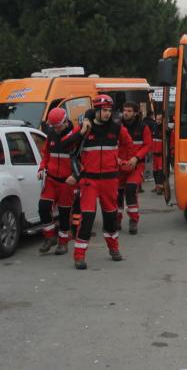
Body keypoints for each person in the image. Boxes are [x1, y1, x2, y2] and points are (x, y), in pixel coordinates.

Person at [60, 94, 133, 270]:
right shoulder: (87, 126)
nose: (107, 114)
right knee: (87, 217)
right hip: (89, 180)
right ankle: (79, 256)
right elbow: (64, 144)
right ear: (97, 110)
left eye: (109, 110)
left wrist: (121, 159)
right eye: (104, 110)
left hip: (110, 180)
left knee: (111, 217)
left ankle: (113, 248)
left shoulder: (117, 128)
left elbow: (129, 144)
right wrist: (82, 131)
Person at [36, 108, 76, 255]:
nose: (55, 129)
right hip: (52, 179)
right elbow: (46, 154)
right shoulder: (51, 134)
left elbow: (80, 159)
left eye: (57, 126)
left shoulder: (75, 136)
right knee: (43, 207)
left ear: (65, 121)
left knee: (65, 213)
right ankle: (49, 237)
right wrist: (41, 169)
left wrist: (76, 177)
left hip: (67, 182)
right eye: (53, 127)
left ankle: (63, 243)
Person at [117, 102, 152, 235]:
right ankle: (117, 220)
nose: (126, 113)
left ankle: (133, 220)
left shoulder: (143, 127)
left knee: (131, 189)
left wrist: (136, 158)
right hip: (119, 166)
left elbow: (147, 145)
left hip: (136, 165)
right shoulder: (117, 127)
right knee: (117, 194)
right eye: (124, 110)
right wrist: (116, 160)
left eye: (129, 111)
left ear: (136, 113)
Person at [151, 113, 165, 195]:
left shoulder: (164, 129)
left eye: (160, 119)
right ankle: (157, 186)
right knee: (155, 172)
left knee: (160, 172)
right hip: (154, 153)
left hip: (161, 154)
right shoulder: (154, 127)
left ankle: (160, 187)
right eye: (157, 119)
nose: (158, 121)